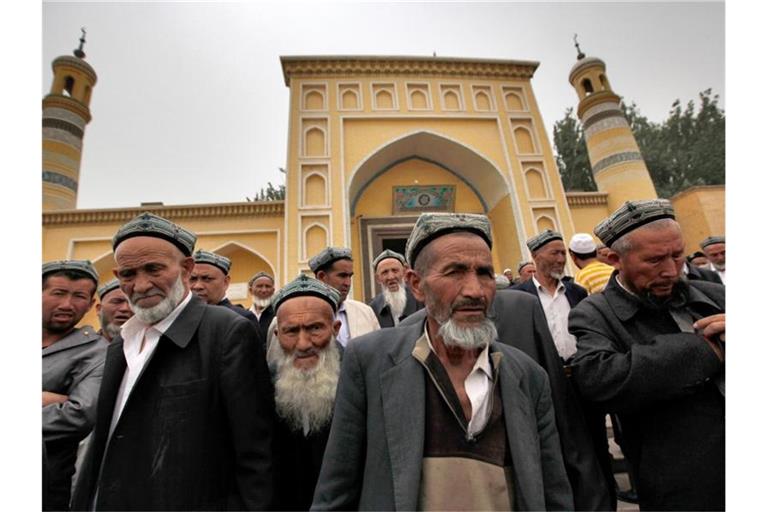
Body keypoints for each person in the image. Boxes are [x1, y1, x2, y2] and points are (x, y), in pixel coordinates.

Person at [311, 212, 573, 511]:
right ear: (416, 285)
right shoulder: (370, 362)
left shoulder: (528, 375)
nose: (475, 290)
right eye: (455, 272)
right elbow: (337, 490)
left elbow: (554, 493)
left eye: (485, 273)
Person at [71, 212, 274, 511]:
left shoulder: (225, 332)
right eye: (128, 274)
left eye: (154, 269)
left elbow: (256, 453)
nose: (140, 286)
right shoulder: (121, 342)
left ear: (186, 268)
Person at [569, 199, 725, 511]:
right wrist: (706, 349)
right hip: (679, 483)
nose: (670, 270)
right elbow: (598, 380)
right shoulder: (595, 313)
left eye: (677, 255)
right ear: (615, 259)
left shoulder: (715, 295)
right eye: (654, 261)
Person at [266, 274, 343, 510]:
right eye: (291, 331)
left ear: (335, 329)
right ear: (278, 336)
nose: (303, 344)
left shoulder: (359, 379)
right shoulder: (263, 381)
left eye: (315, 329)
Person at [43, 260, 108, 511]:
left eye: (79, 296)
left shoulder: (96, 351)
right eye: (58, 293)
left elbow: (80, 414)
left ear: (91, 304)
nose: (67, 305)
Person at [308, 247, 379, 346]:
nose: (348, 283)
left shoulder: (365, 312)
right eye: (342, 276)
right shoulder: (297, 316)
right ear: (321, 277)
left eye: (350, 276)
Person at [191, 249, 261, 326]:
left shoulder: (240, 318)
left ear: (225, 282)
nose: (198, 286)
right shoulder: (183, 315)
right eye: (192, 279)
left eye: (207, 279)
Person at [367, 249, 423, 327]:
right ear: (378, 278)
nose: (391, 277)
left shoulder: (421, 299)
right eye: (385, 272)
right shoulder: (372, 308)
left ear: (404, 272)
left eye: (395, 270)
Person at [249, 271, 277, 340]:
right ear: (250, 290)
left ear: (273, 291)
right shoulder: (244, 315)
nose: (264, 290)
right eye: (259, 286)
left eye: (267, 286)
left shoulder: (278, 313)